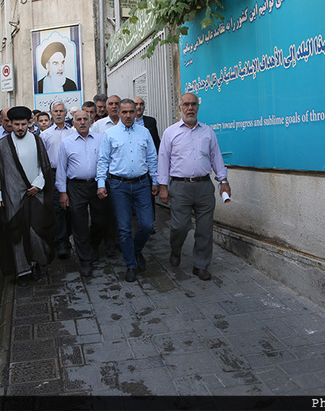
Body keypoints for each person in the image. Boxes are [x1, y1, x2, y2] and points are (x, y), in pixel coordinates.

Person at [157, 93, 230, 281]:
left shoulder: (208, 132)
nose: (190, 108)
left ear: (198, 107)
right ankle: (176, 249)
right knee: (180, 226)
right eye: (186, 104)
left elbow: (216, 158)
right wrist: (163, 187)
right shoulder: (170, 132)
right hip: (180, 187)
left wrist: (223, 181)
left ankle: (201, 265)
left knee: (205, 229)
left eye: (193, 104)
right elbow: (163, 160)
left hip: (204, 186)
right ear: (179, 107)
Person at [0, 106, 56, 286]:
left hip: (36, 194)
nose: (20, 128)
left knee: (36, 232)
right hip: (12, 197)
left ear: (29, 123)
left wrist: (38, 184)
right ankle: (22, 270)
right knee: (16, 233)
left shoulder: (37, 140)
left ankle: (36, 264)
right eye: (16, 124)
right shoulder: (3, 144)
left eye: (23, 124)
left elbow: (44, 165)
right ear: (9, 124)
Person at [97, 98, 159, 283]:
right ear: (118, 113)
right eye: (124, 112)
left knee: (147, 225)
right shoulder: (110, 134)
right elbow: (103, 160)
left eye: (131, 111)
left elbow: (152, 158)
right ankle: (131, 264)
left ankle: (135, 249)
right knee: (124, 228)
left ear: (136, 112)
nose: (128, 115)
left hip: (142, 185)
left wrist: (155, 180)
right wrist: (101, 183)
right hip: (119, 186)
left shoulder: (145, 132)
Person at [57, 110, 111, 277]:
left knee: (100, 221)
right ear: (73, 123)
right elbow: (61, 169)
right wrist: (62, 192)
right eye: (78, 120)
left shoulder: (101, 139)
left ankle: (93, 246)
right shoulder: (66, 143)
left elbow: (107, 161)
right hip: (76, 187)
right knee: (79, 224)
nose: (82, 122)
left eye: (85, 119)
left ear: (90, 121)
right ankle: (85, 259)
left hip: (98, 185)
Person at [40, 101, 75, 258]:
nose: (59, 113)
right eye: (56, 111)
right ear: (51, 113)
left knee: (73, 207)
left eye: (61, 111)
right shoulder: (45, 135)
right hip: (53, 174)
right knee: (58, 208)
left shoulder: (73, 132)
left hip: (71, 174)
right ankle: (61, 242)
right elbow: (41, 159)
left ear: (66, 113)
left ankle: (70, 236)